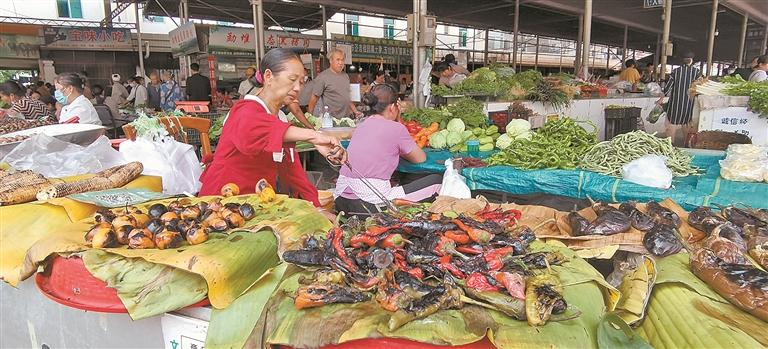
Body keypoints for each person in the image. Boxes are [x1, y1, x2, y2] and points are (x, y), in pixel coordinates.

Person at [198, 48, 344, 221]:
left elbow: (292, 170)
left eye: (302, 82)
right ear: (268, 76)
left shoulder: (279, 118)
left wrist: (316, 208)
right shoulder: (244, 110)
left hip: (255, 207)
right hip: (222, 207)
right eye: (292, 80)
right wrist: (314, 136)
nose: (297, 88)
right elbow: (252, 135)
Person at [334, 83, 441, 214]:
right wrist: (398, 120)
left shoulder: (362, 125)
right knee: (437, 181)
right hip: (369, 204)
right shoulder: (396, 128)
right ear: (392, 107)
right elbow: (420, 158)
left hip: (340, 201)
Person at [307, 48, 363, 119]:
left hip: (345, 118)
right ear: (330, 60)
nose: (340, 62)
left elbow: (346, 97)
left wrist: (355, 111)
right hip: (330, 120)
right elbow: (313, 99)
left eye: (342, 60)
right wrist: (309, 117)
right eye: (338, 59)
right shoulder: (323, 77)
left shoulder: (345, 76)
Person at [659, 52, 700, 146]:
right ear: (691, 61)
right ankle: (686, 144)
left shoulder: (676, 71)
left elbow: (669, 86)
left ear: (683, 60)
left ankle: (670, 144)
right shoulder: (696, 72)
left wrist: (662, 97)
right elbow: (699, 87)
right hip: (689, 103)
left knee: (671, 123)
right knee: (686, 123)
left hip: (675, 103)